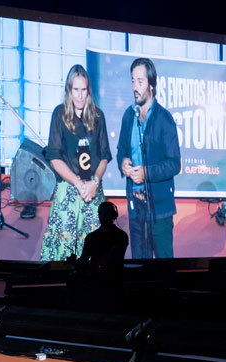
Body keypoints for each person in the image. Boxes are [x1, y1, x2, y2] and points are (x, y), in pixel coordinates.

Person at [41, 64, 112, 260]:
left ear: (88, 91)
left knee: (95, 255)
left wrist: (94, 182)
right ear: (69, 90)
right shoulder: (59, 114)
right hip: (69, 192)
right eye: (76, 90)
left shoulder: (98, 116)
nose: (80, 96)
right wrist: (78, 183)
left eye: (84, 90)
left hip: (93, 191)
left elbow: (104, 156)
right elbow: (54, 158)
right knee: (63, 258)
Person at [116, 57, 181, 259]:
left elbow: (174, 164)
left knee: (164, 269)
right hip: (136, 209)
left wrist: (146, 173)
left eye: (140, 81)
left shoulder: (164, 119)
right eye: (133, 81)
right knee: (139, 269)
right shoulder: (128, 116)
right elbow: (121, 150)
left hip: (160, 210)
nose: (135, 87)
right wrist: (123, 162)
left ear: (151, 85)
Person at [80, 200, 128, 277]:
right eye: (100, 213)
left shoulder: (121, 236)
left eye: (106, 213)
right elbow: (84, 258)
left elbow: (111, 258)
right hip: (95, 280)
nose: (102, 216)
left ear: (113, 215)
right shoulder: (91, 237)